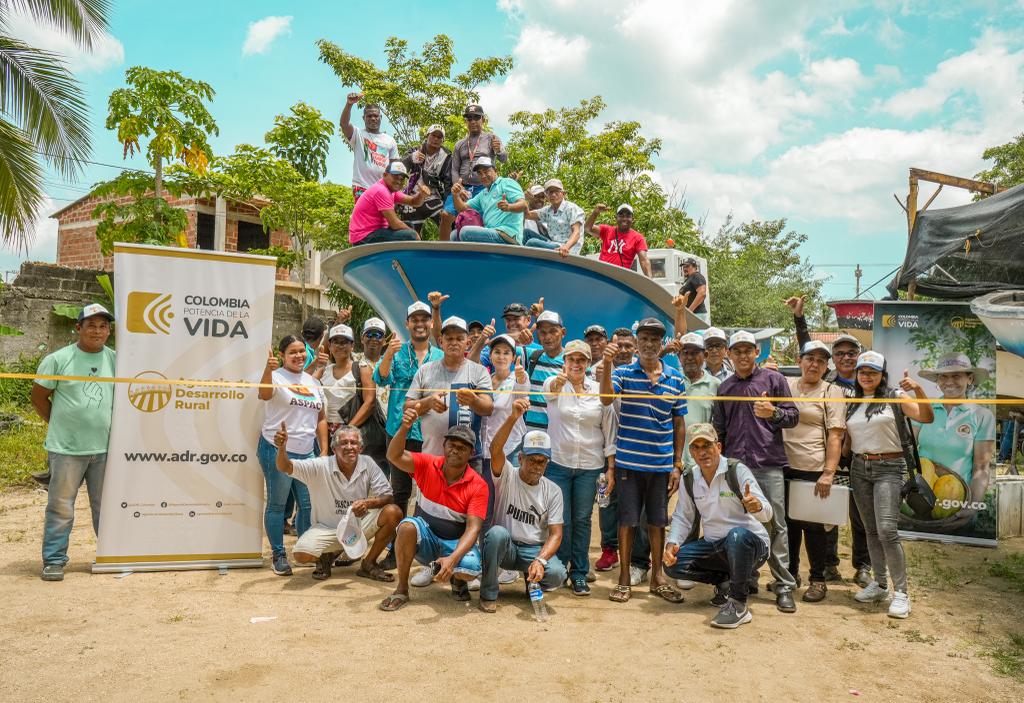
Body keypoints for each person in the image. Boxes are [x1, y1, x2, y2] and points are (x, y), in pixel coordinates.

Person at [711, 330, 800, 612]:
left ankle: (783, 585)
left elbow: (793, 416)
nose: (743, 356)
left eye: (748, 350)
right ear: (729, 354)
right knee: (741, 523)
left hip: (768, 463)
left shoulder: (774, 380)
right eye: (737, 351)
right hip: (737, 466)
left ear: (756, 352)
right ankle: (747, 578)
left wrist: (772, 413)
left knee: (775, 524)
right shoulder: (725, 388)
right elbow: (720, 430)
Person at [600, 318, 687, 604]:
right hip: (628, 463)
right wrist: (607, 364)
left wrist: (677, 463)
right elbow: (605, 399)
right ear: (637, 343)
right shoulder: (624, 373)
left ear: (662, 344)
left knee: (657, 522)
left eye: (655, 339)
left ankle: (657, 577)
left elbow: (679, 423)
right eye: (644, 339)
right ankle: (624, 579)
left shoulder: (675, 378)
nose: (649, 344)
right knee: (627, 521)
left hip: (661, 465)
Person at [784, 294, 869, 584]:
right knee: (818, 518)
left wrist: (829, 470)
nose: (846, 358)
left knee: (857, 517)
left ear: (859, 356)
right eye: (840, 354)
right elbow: (808, 347)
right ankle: (827, 565)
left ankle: (862, 566)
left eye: (851, 353)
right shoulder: (827, 380)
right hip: (827, 457)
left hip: (854, 457)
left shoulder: (867, 382)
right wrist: (799, 318)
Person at [31, 303, 116, 581]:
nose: (97, 330)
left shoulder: (115, 360)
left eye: (103, 326)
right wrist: (58, 425)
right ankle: (54, 560)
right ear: (78, 328)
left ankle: (109, 557)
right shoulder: (59, 359)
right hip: (66, 449)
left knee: (105, 507)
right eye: (91, 325)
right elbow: (39, 397)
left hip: (104, 450)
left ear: (109, 331)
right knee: (61, 506)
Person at [845, 351, 933, 619]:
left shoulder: (895, 396)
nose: (866, 376)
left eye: (872, 371)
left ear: (882, 375)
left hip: (890, 467)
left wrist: (917, 389)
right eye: (862, 371)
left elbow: (927, 417)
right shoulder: (852, 402)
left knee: (887, 530)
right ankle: (880, 583)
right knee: (870, 530)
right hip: (859, 468)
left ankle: (902, 593)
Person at [663, 424, 772, 629]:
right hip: (715, 546)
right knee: (672, 564)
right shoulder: (690, 478)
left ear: (719, 446)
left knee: (737, 535)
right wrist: (672, 544)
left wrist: (756, 506)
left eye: (707, 445)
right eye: (697, 447)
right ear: (691, 452)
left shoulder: (736, 470)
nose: (703, 452)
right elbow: (683, 517)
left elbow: (767, 513)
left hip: (751, 545)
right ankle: (725, 583)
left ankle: (738, 605)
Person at [379, 417, 489, 611]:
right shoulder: (427, 464)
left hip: (454, 544)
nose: (455, 450)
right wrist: (405, 427)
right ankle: (401, 589)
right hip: (427, 540)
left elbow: (473, 529)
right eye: (451, 445)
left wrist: (452, 560)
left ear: (472, 453)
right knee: (406, 526)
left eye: (462, 448)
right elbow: (393, 455)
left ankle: (457, 579)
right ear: (444, 445)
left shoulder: (478, 484)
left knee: (470, 569)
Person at [273, 424, 401, 581]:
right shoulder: (320, 465)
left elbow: (388, 497)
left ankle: (369, 563)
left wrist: (367, 503)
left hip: (356, 528)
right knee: (301, 555)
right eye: (343, 443)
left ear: (360, 448)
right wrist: (281, 448)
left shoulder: (367, 463)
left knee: (393, 512)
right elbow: (285, 466)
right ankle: (327, 556)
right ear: (334, 449)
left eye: (354, 443)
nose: (349, 447)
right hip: (326, 530)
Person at [543, 340, 618, 595]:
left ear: (587, 363)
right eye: (571, 360)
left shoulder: (599, 390)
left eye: (581, 360)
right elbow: (550, 390)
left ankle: (579, 572)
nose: (576, 364)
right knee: (560, 520)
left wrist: (610, 469)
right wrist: (560, 381)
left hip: (590, 465)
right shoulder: (552, 384)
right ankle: (559, 569)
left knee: (583, 519)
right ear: (564, 362)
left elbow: (609, 431)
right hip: (558, 464)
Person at [479, 402, 567, 612]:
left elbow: (556, 534)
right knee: (496, 534)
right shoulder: (507, 474)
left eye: (542, 461)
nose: (537, 466)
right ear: (520, 458)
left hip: (532, 549)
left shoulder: (553, 490)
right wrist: (512, 417)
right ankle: (488, 593)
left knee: (557, 574)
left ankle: (532, 581)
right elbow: (495, 449)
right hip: (506, 546)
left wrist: (540, 560)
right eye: (532, 460)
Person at [257, 336, 329, 576]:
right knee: (277, 505)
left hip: (307, 452)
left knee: (308, 505)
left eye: (301, 351)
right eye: (292, 352)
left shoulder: (311, 380)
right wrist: (268, 369)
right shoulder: (276, 376)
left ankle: (304, 550)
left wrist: (324, 450)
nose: (298, 356)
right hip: (276, 449)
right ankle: (278, 555)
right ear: (282, 355)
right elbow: (264, 395)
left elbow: (321, 417)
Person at [781, 341, 846, 603]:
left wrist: (828, 472)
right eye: (810, 358)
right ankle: (790, 574)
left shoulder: (833, 391)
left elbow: (836, 435)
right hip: (783, 465)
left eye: (821, 360)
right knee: (788, 524)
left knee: (815, 527)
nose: (814, 364)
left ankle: (818, 579)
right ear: (800, 361)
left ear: (826, 366)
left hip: (813, 467)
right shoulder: (785, 384)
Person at [373, 302, 444, 521]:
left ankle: (422, 538)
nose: (420, 324)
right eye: (415, 320)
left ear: (431, 323)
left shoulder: (440, 356)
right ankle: (397, 544)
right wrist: (387, 354)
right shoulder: (397, 352)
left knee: (429, 488)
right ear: (407, 324)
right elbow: (381, 379)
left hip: (429, 432)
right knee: (400, 491)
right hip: (399, 429)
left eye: (424, 319)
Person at [915, 352, 995, 523]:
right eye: (943, 376)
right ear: (937, 380)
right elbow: (907, 452)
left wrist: (972, 507)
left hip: (956, 503)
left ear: (970, 379)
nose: (949, 381)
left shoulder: (983, 416)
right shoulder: (925, 408)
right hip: (917, 500)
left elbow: (981, 468)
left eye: (956, 375)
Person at [405, 315, 494, 459]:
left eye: (459, 339)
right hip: (432, 458)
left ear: (468, 342)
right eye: (449, 339)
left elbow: (488, 408)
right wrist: (428, 402)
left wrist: (473, 400)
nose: (454, 343)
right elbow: (407, 407)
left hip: (469, 460)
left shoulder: (480, 371)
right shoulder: (425, 370)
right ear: (441, 341)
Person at [440, 104, 508, 240]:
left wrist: (499, 150)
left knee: (484, 221)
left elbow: (503, 159)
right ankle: (444, 252)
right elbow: (454, 169)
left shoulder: (491, 138)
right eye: (469, 118)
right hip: (463, 187)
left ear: (483, 120)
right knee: (446, 215)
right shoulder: (459, 144)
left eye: (476, 118)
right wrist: (458, 189)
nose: (472, 121)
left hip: (484, 188)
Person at [312, 324, 373, 446]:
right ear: (329, 346)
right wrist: (316, 364)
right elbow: (306, 388)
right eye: (336, 342)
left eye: (345, 342)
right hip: (324, 434)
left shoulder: (362, 368)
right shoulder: (324, 370)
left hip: (352, 433)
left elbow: (370, 402)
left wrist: (347, 431)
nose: (340, 346)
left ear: (352, 346)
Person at [348, 161, 429, 246]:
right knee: (411, 235)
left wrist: (422, 195)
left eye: (401, 179)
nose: (398, 181)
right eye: (395, 177)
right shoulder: (381, 190)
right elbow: (394, 224)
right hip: (363, 237)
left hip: (376, 231)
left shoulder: (391, 190)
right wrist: (416, 236)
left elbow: (414, 202)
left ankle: (400, 257)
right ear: (385, 175)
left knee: (409, 225)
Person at [451, 157, 527, 245]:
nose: (483, 175)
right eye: (479, 173)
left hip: (507, 235)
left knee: (465, 232)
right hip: (491, 232)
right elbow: (462, 209)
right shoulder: (483, 194)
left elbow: (524, 205)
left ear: (495, 170)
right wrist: (455, 195)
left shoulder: (506, 183)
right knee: (454, 235)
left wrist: (509, 207)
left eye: (486, 171)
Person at [339, 92, 399, 199]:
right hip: (362, 187)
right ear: (364, 118)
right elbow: (344, 124)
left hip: (383, 189)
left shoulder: (390, 140)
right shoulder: (358, 134)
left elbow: (395, 167)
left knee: (382, 216)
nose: (373, 118)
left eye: (375, 116)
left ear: (380, 117)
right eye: (369, 116)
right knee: (364, 215)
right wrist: (349, 104)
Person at [398, 124, 452, 232]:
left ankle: (448, 248)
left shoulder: (446, 156)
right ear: (427, 136)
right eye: (433, 135)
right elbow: (398, 168)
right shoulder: (414, 150)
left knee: (449, 223)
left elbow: (448, 182)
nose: (435, 139)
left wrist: (448, 205)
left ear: (443, 140)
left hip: (434, 199)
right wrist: (411, 158)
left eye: (439, 137)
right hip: (413, 198)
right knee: (410, 234)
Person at [352, 317, 389, 472]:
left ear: (384, 340)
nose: (374, 338)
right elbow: (331, 351)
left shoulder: (392, 363)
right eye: (370, 334)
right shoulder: (353, 359)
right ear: (362, 338)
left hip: (386, 430)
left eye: (378, 335)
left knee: (384, 484)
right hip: (362, 429)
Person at [524, 310, 566, 431]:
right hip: (531, 435)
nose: (547, 337)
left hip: (560, 436)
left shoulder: (574, 362)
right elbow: (497, 349)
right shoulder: (531, 357)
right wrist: (517, 340)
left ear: (563, 333)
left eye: (553, 331)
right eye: (542, 332)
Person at [583, 203, 652, 276]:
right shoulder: (607, 230)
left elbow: (644, 260)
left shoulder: (638, 238)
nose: (624, 219)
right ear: (616, 218)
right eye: (621, 216)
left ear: (633, 219)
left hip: (619, 278)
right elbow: (587, 228)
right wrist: (595, 213)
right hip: (602, 274)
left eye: (628, 216)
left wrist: (650, 282)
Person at [523, 178, 586, 257]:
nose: (553, 194)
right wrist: (525, 200)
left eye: (556, 191)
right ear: (547, 195)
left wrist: (566, 247)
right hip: (553, 244)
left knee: (532, 242)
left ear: (563, 193)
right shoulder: (548, 210)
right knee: (526, 233)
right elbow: (527, 215)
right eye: (550, 192)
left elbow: (576, 232)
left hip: (566, 249)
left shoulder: (572, 209)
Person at [678, 258, 709, 323]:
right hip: (693, 315)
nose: (684, 269)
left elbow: (702, 293)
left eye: (687, 266)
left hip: (697, 314)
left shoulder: (696, 276)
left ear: (694, 267)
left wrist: (689, 311)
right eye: (683, 267)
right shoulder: (688, 279)